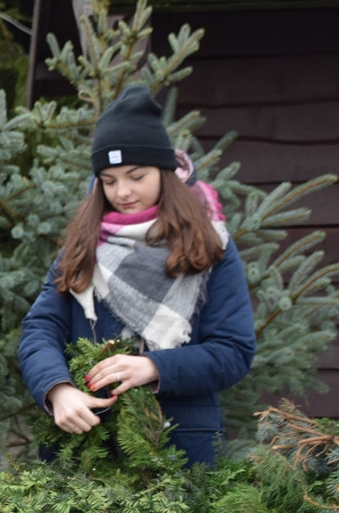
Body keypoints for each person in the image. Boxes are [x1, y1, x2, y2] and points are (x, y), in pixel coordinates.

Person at [18, 85, 257, 465]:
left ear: (165, 172)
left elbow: (234, 350)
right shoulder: (83, 245)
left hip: (179, 449)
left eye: (136, 176)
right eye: (109, 181)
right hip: (85, 450)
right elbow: (40, 329)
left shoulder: (210, 246)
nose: (123, 192)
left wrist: (154, 367)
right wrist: (57, 389)